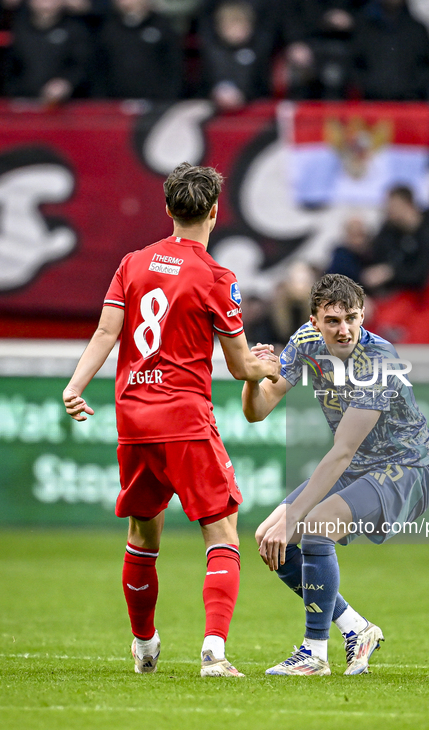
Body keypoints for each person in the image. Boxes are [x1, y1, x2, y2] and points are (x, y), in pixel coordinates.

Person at [63, 163, 280, 677]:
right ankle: (213, 652)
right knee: (222, 530)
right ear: (213, 211)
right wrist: (266, 366)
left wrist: (75, 385)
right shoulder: (216, 277)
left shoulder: (132, 264)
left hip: (134, 419)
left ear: (167, 209)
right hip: (184, 418)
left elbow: (104, 334)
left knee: (143, 534)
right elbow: (238, 366)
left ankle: (143, 645)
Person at [242, 272, 429, 676]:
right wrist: (252, 378)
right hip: (360, 465)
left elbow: (343, 451)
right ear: (314, 322)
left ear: (362, 315)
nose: (344, 329)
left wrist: (294, 515)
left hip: (405, 467)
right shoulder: (304, 343)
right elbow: (259, 410)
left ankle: (314, 653)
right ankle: (356, 628)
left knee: (314, 525)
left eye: (351, 318)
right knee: (268, 539)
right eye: (333, 321)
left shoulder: (378, 360)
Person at [4, 0, 92, 101]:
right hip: (21, 104)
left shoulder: (77, 30)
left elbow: (82, 67)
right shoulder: (16, 28)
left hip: (66, 105)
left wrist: (67, 83)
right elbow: (10, 69)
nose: (46, 2)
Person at [94, 0, 183, 100]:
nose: (126, 2)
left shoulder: (162, 26)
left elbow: (174, 67)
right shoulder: (107, 29)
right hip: (116, 103)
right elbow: (99, 69)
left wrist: (167, 99)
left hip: (156, 103)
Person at [362, 186, 429, 295]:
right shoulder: (389, 231)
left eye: (393, 205)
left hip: (424, 297)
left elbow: (422, 275)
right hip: (395, 297)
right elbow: (375, 262)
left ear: (407, 204)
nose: (388, 210)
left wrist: (390, 273)